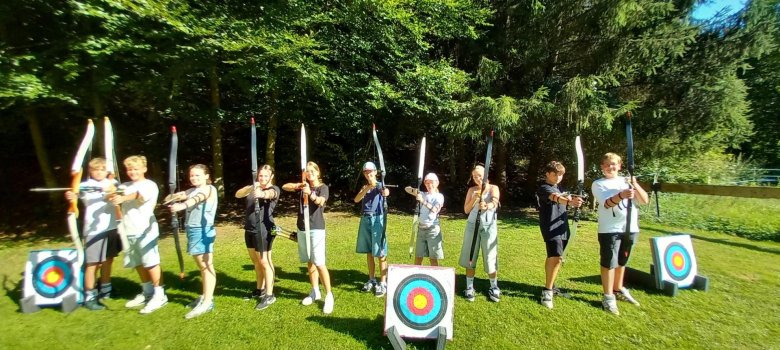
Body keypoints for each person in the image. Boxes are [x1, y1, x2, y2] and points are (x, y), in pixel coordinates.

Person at [591, 153, 649, 315]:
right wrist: (621, 195)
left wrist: (635, 185)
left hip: (630, 228)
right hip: (610, 229)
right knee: (609, 262)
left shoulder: (627, 181)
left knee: (622, 261)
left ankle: (617, 289)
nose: (611, 167)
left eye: (614, 164)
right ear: (602, 167)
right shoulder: (598, 184)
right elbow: (607, 203)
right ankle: (608, 297)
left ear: (620, 166)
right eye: (607, 165)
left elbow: (644, 200)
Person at [110, 155, 167, 314]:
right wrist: (111, 192)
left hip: (145, 229)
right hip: (128, 230)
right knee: (138, 262)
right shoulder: (124, 185)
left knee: (151, 262)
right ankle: (147, 291)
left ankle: (159, 295)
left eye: (135, 168)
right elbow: (114, 198)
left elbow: (138, 196)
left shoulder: (149, 185)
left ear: (144, 169)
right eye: (129, 169)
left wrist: (122, 197)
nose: (132, 172)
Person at [64, 157, 122, 311]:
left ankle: (106, 289)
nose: (99, 172)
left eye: (102, 169)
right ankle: (89, 295)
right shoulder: (85, 185)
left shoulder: (111, 183)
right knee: (92, 264)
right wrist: (72, 196)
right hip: (94, 230)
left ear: (106, 171)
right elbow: (77, 195)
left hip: (111, 227)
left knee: (108, 260)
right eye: (95, 170)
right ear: (90, 171)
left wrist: (112, 191)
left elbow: (117, 195)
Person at [282, 161, 334, 314]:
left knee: (319, 262)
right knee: (310, 261)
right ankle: (315, 291)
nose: (310, 174)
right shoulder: (303, 185)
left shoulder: (323, 188)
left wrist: (310, 193)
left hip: (316, 228)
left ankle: (329, 295)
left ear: (318, 173)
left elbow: (320, 201)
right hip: (302, 228)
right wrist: (300, 186)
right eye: (307, 171)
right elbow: (285, 186)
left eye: (312, 171)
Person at [169, 164, 218, 319]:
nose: (194, 178)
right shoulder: (191, 190)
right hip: (192, 229)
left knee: (206, 266)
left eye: (197, 175)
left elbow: (196, 199)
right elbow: (181, 196)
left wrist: (182, 205)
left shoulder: (209, 189)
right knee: (202, 266)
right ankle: (205, 296)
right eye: (191, 175)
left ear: (206, 176)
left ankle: (208, 301)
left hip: (203, 230)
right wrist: (172, 195)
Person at [535, 161, 584, 309]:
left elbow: (564, 197)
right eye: (555, 174)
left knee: (557, 257)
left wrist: (576, 200)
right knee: (555, 256)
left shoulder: (560, 188)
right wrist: (569, 202)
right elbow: (555, 197)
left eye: (561, 175)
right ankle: (547, 292)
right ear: (547, 174)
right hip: (551, 228)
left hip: (562, 227)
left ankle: (552, 286)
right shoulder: (544, 188)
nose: (558, 177)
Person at [236, 164, 280, 310]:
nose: (262, 178)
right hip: (249, 229)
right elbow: (238, 194)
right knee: (256, 262)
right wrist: (252, 188)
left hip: (264, 230)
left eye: (266, 176)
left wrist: (262, 194)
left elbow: (270, 195)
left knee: (265, 261)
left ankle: (269, 295)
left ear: (271, 177)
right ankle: (260, 289)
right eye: (260, 175)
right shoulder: (253, 188)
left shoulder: (273, 189)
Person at [458, 164, 501, 302]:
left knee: (490, 255)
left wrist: (487, 205)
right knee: (470, 254)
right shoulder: (472, 190)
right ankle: (469, 287)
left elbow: (495, 201)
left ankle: (494, 287)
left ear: (486, 175)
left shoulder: (493, 188)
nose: (477, 178)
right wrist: (475, 199)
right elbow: (466, 210)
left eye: (480, 175)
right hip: (472, 225)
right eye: (474, 176)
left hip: (488, 226)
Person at [353, 161, 390, 297]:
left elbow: (385, 191)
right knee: (369, 251)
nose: (368, 174)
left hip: (377, 219)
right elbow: (357, 199)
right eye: (366, 172)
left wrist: (384, 191)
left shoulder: (380, 185)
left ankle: (383, 282)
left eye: (371, 171)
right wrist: (368, 187)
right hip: (365, 218)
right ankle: (372, 279)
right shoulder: (365, 186)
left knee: (380, 252)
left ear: (375, 172)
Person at [404, 173, 445, 266]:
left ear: (437, 183)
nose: (429, 185)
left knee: (433, 257)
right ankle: (416, 275)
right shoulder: (423, 194)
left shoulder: (439, 196)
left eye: (432, 182)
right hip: (421, 229)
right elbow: (406, 189)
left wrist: (422, 201)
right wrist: (415, 190)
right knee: (418, 256)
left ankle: (435, 277)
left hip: (432, 229)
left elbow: (435, 209)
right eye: (427, 183)